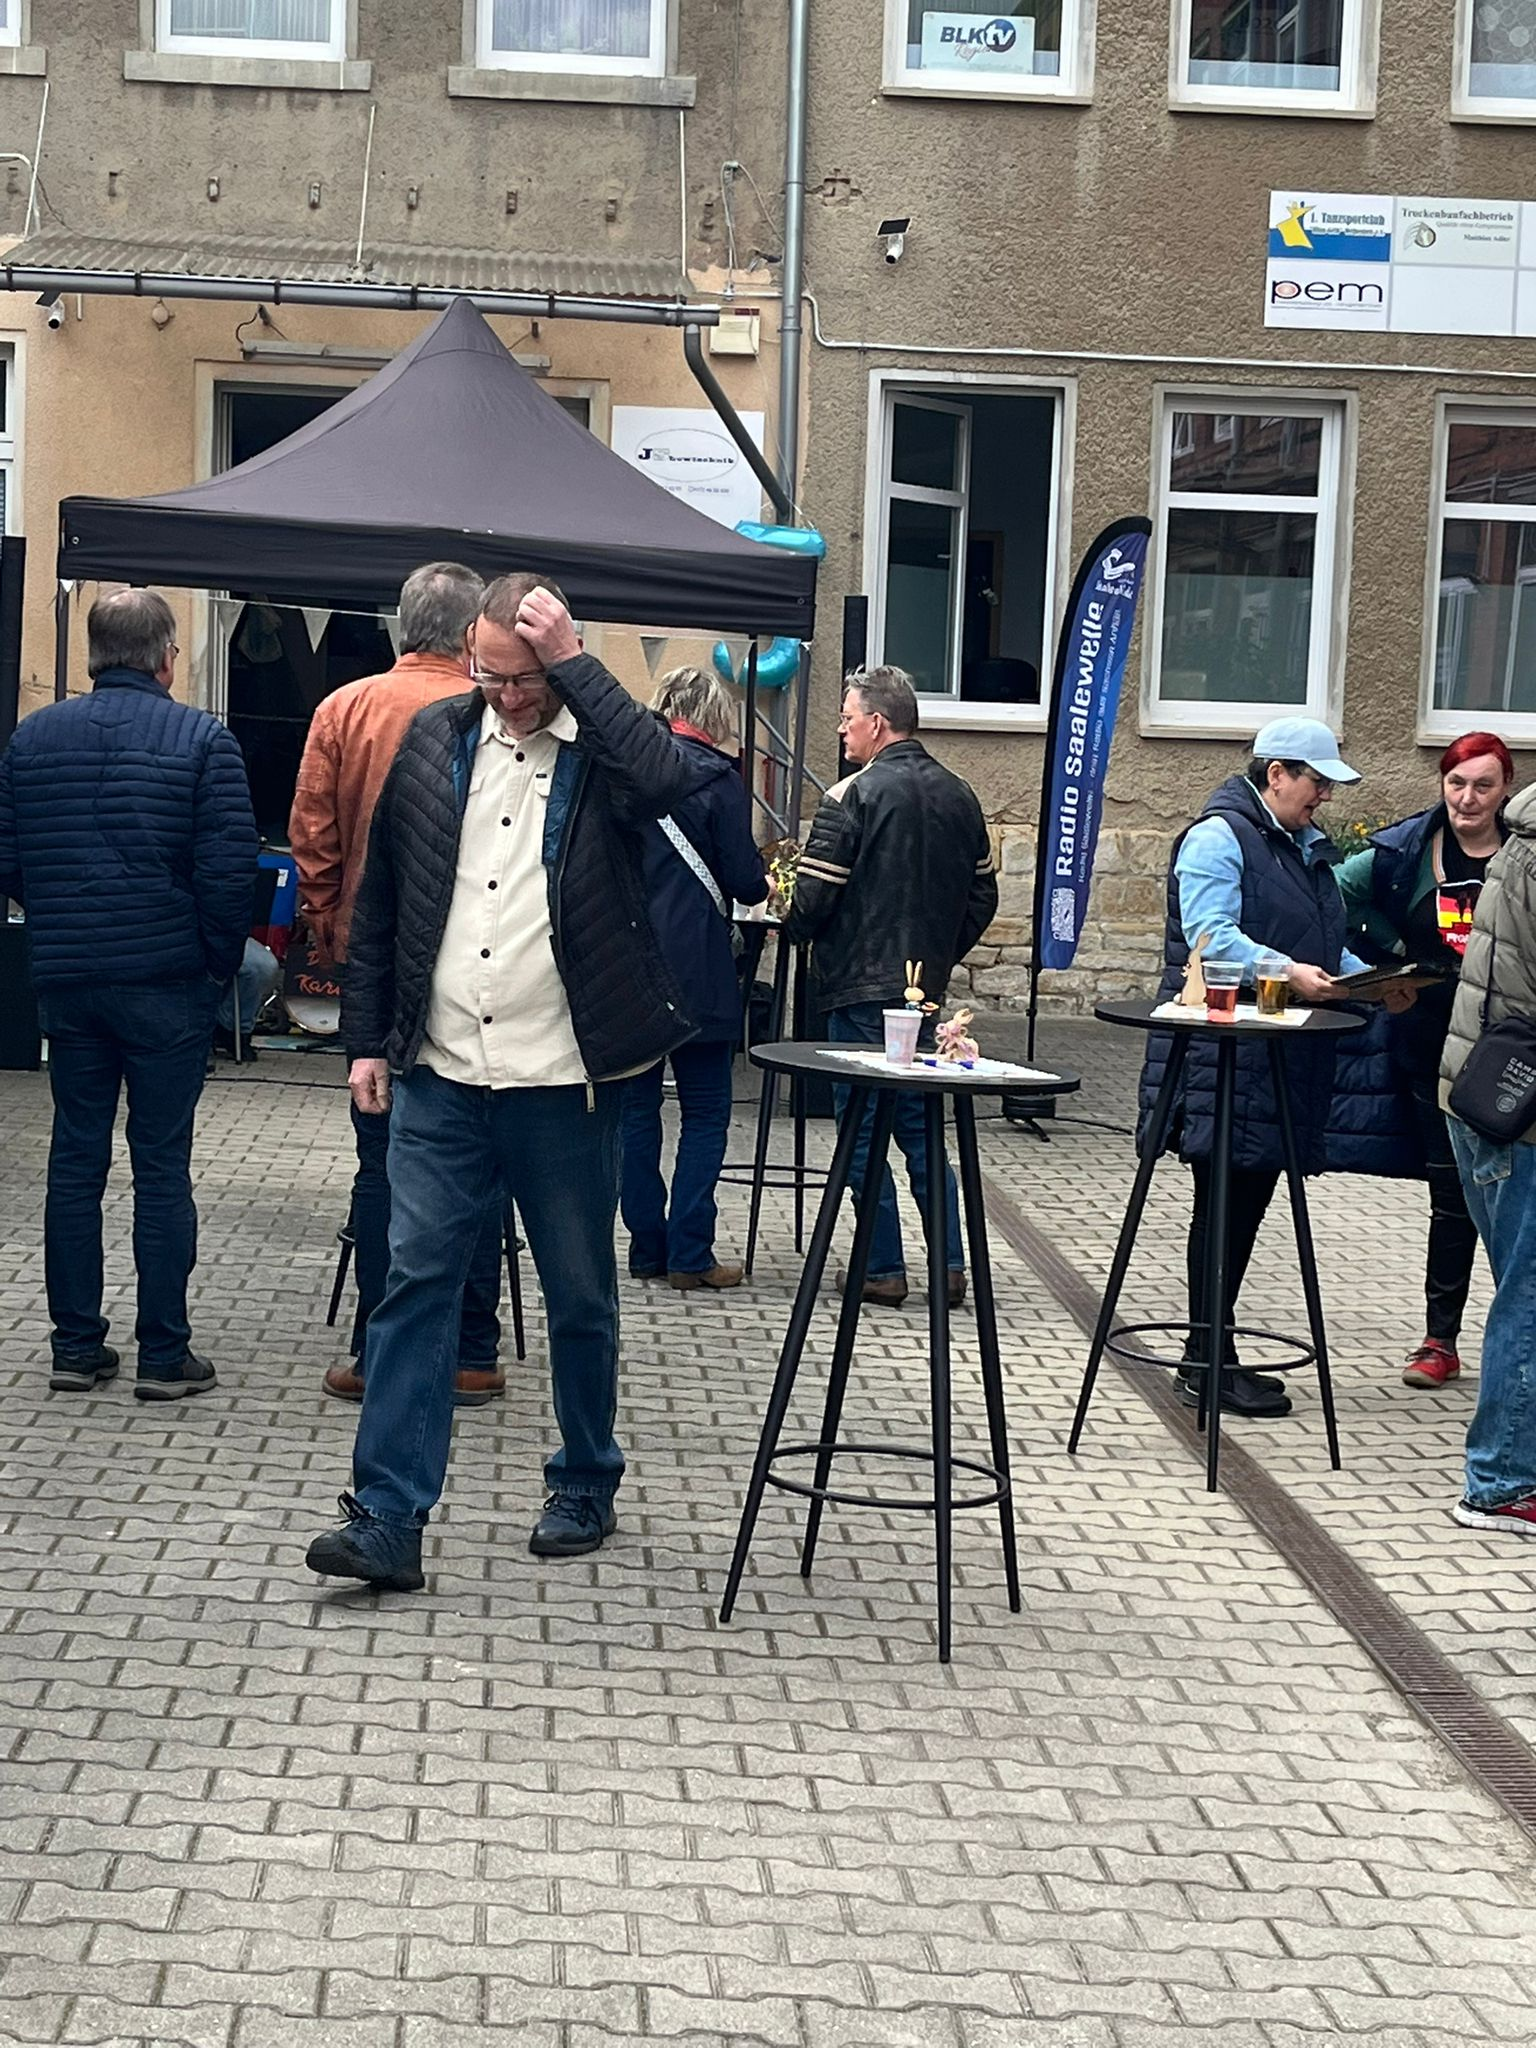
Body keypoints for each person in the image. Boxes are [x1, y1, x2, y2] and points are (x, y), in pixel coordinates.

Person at [305, 574, 701, 1591]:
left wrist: (577, 663)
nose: (510, 695)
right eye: (492, 674)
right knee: (414, 1286)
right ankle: (387, 1516)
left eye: (529, 678)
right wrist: (365, 1041)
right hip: (441, 1072)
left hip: (562, 1078)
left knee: (579, 1292)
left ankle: (585, 1477)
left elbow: (667, 778)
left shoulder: (600, 752)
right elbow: (382, 897)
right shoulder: (435, 738)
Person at [0, 587, 257, 1399]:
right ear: (166, 659)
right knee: (161, 1164)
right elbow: (229, 875)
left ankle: (76, 1346)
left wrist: (61, 922)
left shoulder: (32, 738)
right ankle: (163, 1352)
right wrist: (215, 967)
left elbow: (10, 860)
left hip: (71, 981)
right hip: (167, 984)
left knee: (75, 1158)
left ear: (92, 655)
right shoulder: (205, 741)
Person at [1139, 716, 1411, 1420]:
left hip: (1276, 1055)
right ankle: (1206, 1362)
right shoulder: (1217, 837)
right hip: (1225, 1054)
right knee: (1224, 1205)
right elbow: (1210, 939)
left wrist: (1373, 983)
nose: (1325, 796)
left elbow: (1321, 942)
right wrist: (1291, 972)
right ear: (1277, 774)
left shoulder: (1296, 843)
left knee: (1242, 1205)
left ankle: (1210, 1355)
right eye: (1317, 781)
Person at [289, 562, 504, 1406]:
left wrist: (330, 926)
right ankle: (473, 1348)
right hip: (479, 965)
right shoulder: (490, 711)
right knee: (480, 1161)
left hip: (374, 967)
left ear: (400, 626)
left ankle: (379, 1346)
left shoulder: (345, 707)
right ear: (470, 635)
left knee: (382, 1161)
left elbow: (312, 834)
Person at [785, 665, 998, 1309]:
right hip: (922, 994)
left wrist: (791, 922)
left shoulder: (850, 795)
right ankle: (950, 1266)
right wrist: (936, 957)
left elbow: (813, 899)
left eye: (847, 718)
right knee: (922, 1129)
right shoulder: (962, 794)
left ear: (877, 723)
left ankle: (881, 1268)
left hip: (856, 990)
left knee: (861, 1131)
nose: (842, 730)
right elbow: (983, 896)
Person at [1337, 733, 1514, 1390]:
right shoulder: (1407, 850)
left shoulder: (1523, 857)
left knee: (1513, 1198)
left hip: (1510, 1051)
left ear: (1505, 790)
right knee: (1452, 1195)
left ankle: (1514, 1343)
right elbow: (1332, 894)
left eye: (1483, 785)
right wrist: (1391, 957)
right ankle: (1440, 1341)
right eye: (1456, 783)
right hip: (1430, 1046)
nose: (1467, 798)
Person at [620, 666, 768, 1290]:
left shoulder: (628, 771)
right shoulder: (719, 780)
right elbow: (746, 882)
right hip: (700, 968)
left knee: (635, 1110)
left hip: (631, 966)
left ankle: (645, 1247)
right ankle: (690, 1254)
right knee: (706, 1112)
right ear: (713, 717)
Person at [1440, 781, 1536, 1533]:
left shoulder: (1523, 835)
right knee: (1527, 1302)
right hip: (1519, 1115)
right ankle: (1503, 1483)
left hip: (1480, 1094)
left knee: (1521, 1292)